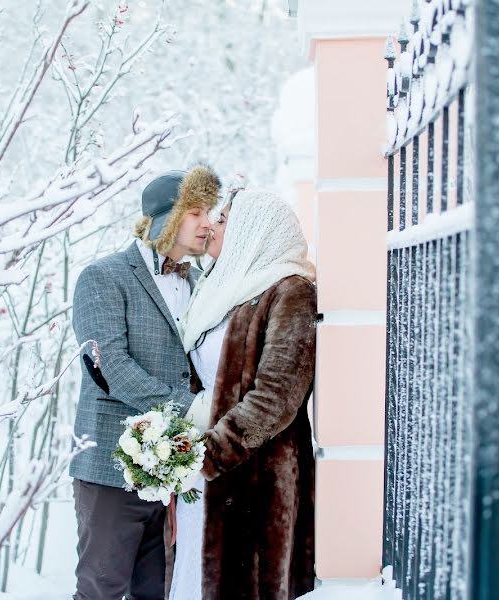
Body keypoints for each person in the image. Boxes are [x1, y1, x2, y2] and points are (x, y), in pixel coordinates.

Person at [70, 165, 220, 600]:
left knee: (159, 592)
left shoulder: (198, 281)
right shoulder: (103, 277)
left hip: (175, 472)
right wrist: (187, 407)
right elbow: (109, 367)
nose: (207, 223)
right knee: (101, 590)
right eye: (196, 212)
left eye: (210, 212)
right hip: (111, 468)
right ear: (166, 218)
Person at [172, 190, 318, 600]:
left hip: (256, 476)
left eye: (224, 219)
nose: (213, 226)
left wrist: (211, 452)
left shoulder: (291, 292)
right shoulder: (222, 290)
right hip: (204, 473)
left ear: (255, 229)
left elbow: (276, 397)